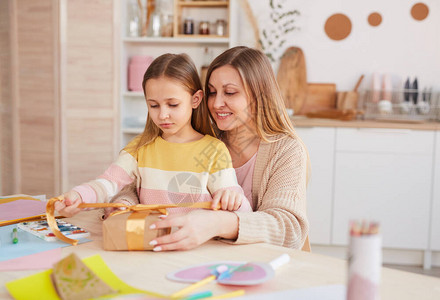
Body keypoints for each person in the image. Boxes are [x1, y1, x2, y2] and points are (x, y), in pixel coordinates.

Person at [148, 46, 310, 252]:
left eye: (230, 92)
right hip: (200, 259)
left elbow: (288, 229)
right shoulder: (203, 141)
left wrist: (217, 223)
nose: (216, 103)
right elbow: (144, 176)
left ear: (259, 95)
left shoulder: (286, 150)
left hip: (260, 266)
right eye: (212, 92)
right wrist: (124, 201)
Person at [55, 53, 252, 218]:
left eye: (172, 104)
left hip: (196, 248)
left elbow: (234, 201)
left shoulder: (214, 150)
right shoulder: (139, 148)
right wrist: (79, 196)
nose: (162, 114)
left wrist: (235, 199)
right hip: (149, 244)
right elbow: (108, 183)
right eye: (154, 105)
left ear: (196, 99)